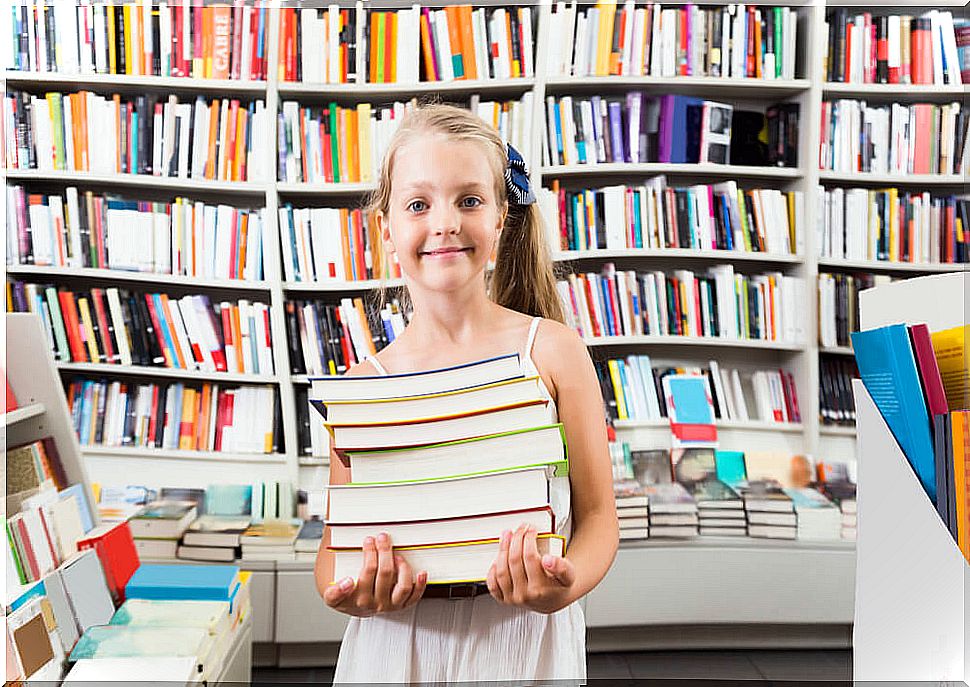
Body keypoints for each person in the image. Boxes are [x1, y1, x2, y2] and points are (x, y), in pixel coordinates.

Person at [314, 102, 619, 683]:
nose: (445, 222)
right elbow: (334, 555)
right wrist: (353, 592)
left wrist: (566, 585)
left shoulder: (552, 351)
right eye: (418, 204)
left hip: (524, 643)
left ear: (502, 219)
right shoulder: (361, 388)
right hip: (395, 650)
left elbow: (600, 515)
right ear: (388, 229)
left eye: (470, 200)